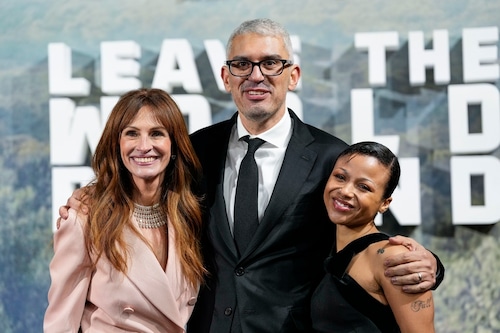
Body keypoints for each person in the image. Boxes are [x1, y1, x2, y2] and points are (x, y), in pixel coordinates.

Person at [58, 19, 444, 333]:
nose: (255, 75)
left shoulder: (331, 157)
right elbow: (141, 176)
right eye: (242, 64)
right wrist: (91, 194)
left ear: (292, 75)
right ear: (226, 78)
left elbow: (371, 235)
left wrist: (430, 263)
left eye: (270, 63)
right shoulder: (196, 150)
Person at [44, 88, 206, 332]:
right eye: (132, 134)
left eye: (156, 134)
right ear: (116, 144)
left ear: (173, 145)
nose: (144, 146)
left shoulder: (190, 214)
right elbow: (60, 323)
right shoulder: (85, 218)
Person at [311, 141, 435, 333]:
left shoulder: (394, 258)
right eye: (340, 177)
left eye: (363, 187)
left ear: (385, 203)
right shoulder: (325, 248)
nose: (345, 191)